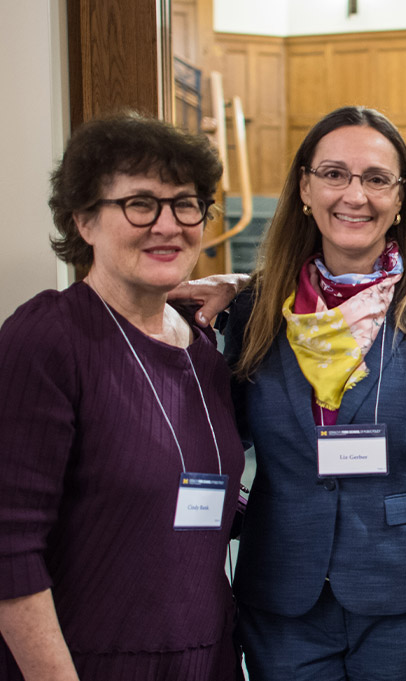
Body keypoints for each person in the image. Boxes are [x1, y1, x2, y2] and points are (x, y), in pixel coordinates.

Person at [222, 106, 406, 681]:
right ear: (304, 187)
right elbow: (218, 442)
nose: (355, 195)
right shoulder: (255, 310)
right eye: (334, 174)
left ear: (400, 198)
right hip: (282, 593)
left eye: (376, 179)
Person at [0, 113, 245, 679]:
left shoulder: (203, 346)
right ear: (84, 219)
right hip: (91, 662)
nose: (168, 225)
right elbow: (9, 547)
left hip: (207, 657)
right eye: (140, 203)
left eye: (186, 204)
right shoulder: (49, 338)